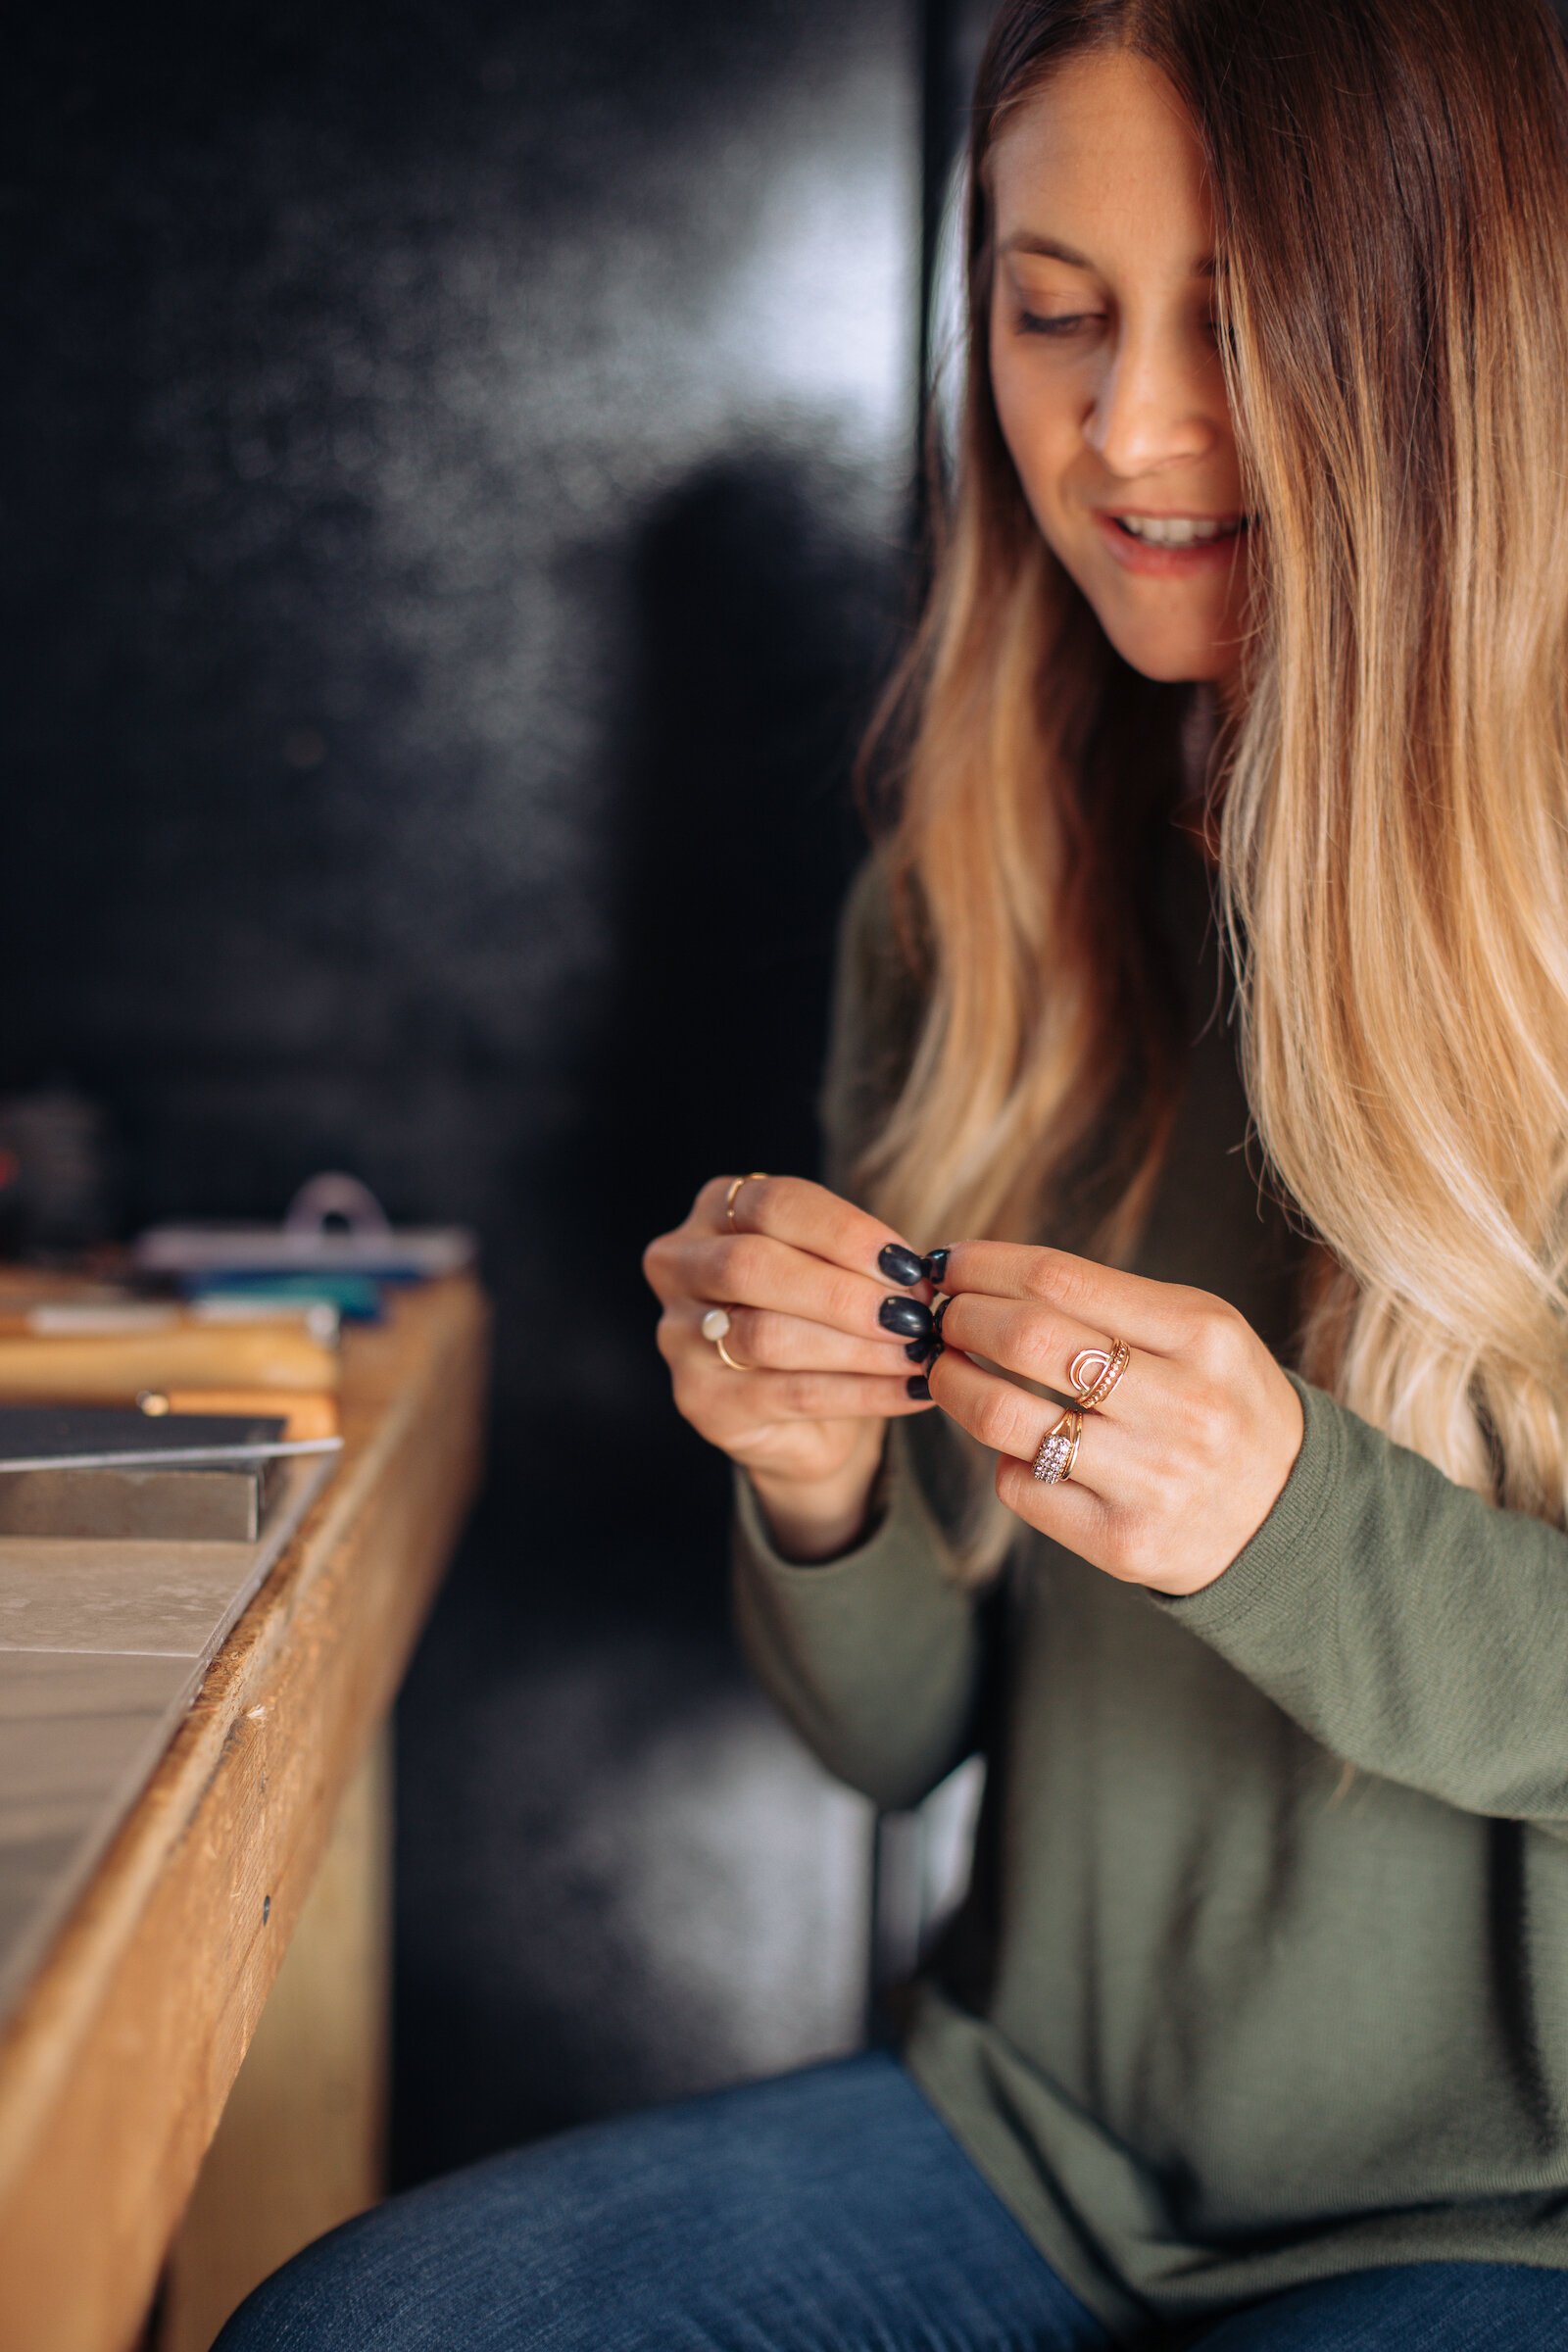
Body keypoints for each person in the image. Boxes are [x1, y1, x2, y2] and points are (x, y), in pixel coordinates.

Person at [217, 0, 1568, 2344]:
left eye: (1235, 326)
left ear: (1441, 346)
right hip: (1025, 2144)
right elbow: (895, 1736)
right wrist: (810, 1480)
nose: (1125, 429)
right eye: (1049, 316)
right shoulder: (963, 909)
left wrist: (1288, 1527)